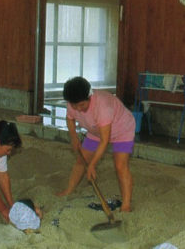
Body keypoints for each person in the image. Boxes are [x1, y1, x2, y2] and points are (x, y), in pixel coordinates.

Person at [56, 77, 135, 212]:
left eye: (82, 105)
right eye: (75, 106)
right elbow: (70, 119)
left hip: (122, 130)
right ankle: (69, 190)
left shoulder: (102, 105)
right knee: (82, 160)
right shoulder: (73, 102)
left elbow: (105, 140)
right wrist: (74, 138)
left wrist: (92, 165)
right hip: (96, 131)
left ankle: (126, 204)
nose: (78, 109)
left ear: (89, 96)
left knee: (120, 166)